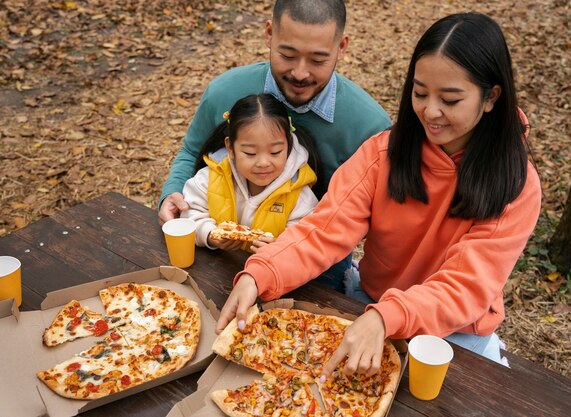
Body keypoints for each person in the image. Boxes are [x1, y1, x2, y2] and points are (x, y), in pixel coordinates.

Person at [215, 12, 542, 380]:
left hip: (455, 333)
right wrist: (260, 274)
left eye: (450, 99)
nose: (430, 112)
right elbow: (324, 230)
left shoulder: (516, 183)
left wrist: (387, 317)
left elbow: (465, 288)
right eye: (420, 93)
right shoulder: (383, 154)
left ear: (491, 97)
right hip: (370, 304)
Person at [159, 0, 391, 291]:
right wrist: (172, 192)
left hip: (316, 263)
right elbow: (193, 152)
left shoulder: (369, 126)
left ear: (341, 47)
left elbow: (373, 214)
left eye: (318, 60)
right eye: (287, 54)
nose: (300, 73)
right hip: (221, 245)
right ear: (269, 34)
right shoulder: (224, 92)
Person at [181, 94, 319, 253]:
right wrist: (209, 233)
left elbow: (305, 239)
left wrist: (280, 249)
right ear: (230, 148)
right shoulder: (210, 178)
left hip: (268, 273)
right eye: (250, 153)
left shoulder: (298, 194)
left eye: (275, 152)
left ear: (288, 146)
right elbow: (190, 215)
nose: (263, 163)